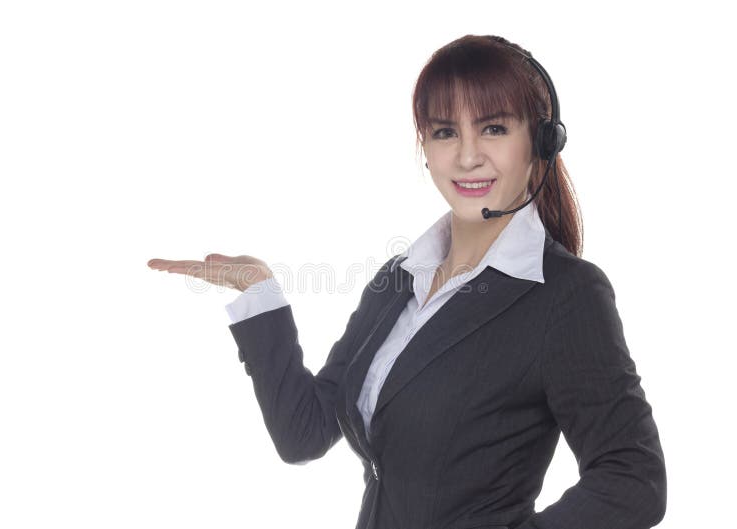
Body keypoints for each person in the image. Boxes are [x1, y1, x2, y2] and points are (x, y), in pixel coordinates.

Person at [147, 34, 666, 529]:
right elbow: (304, 434)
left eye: (493, 128)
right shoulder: (399, 279)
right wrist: (261, 293)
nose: (466, 156)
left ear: (541, 142)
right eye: (445, 132)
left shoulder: (566, 296)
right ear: (426, 147)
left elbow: (632, 478)